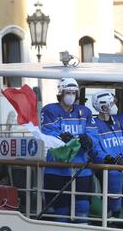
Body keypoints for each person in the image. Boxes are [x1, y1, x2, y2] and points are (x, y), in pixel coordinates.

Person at [40, 78, 101, 223]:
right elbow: (47, 131)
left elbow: (94, 134)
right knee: (61, 212)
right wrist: (60, 136)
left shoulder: (85, 112)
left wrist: (90, 141)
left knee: (82, 208)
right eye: (68, 92)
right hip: (57, 169)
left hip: (81, 168)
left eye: (74, 92)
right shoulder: (49, 110)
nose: (71, 95)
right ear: (61, 93)